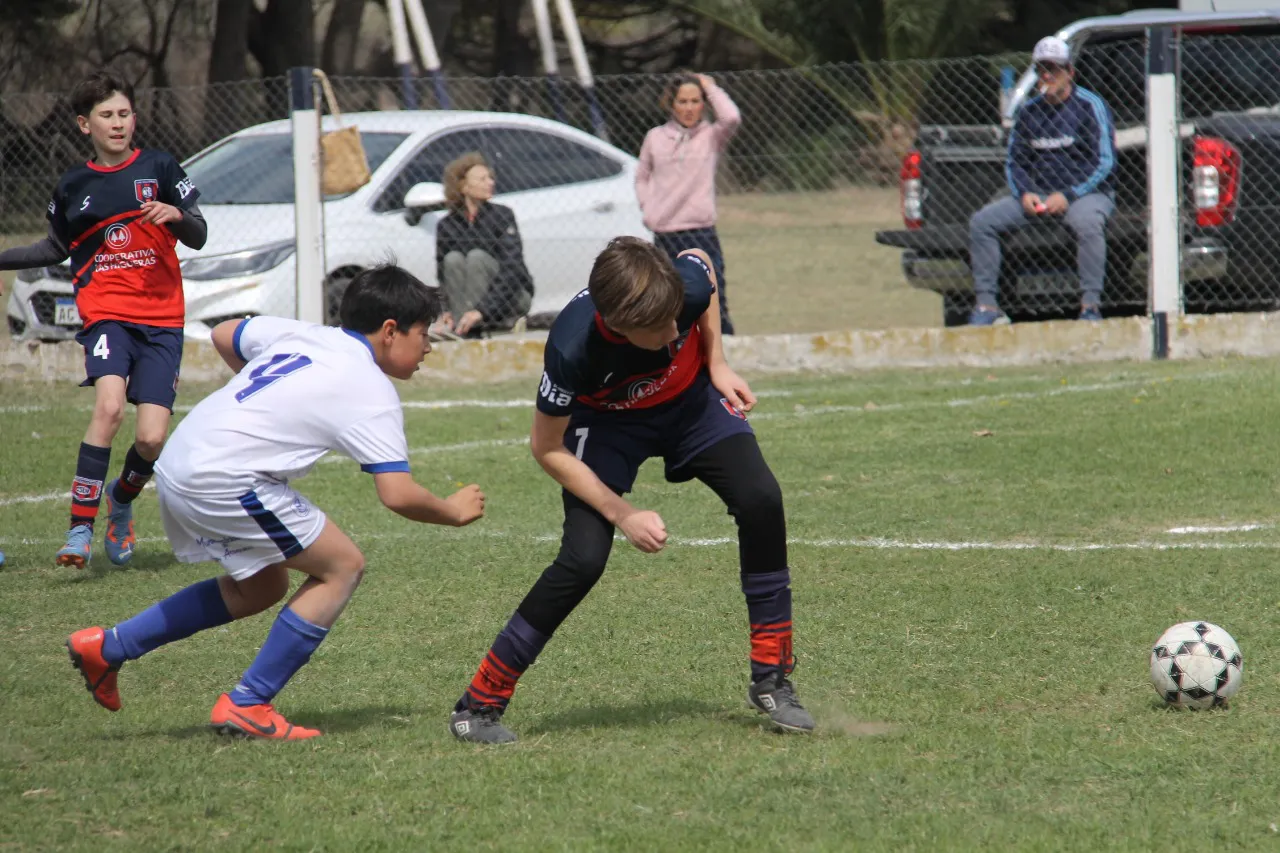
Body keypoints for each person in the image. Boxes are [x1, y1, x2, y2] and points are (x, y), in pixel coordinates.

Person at [64, 265, 487, 739]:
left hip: (183, 458)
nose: (429, 346)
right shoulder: (370, 388)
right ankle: (248, 704)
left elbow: (226, 334)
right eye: (423, 333)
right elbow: (398, 494)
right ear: (390, 331)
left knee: (261, 587)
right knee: (343, 567)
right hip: (225, 477)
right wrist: (452, 510)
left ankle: (109, 648)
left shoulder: (305, 334)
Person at [447, 236, 813, 745]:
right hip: (608, 424)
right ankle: (479, 703)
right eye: (660, 328)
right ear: (618, 326)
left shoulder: (673, 291)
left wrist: (717, 362)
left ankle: (771, 676)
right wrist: (623, 514)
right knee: (583, 559)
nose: (673, 332)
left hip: (691, 405)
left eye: (677, 321)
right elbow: (547, 448)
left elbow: (702, 270)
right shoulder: (572, 348)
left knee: (761, 500)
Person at [0, 70, 207, 568]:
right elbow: (52, 247)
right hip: (107, 316)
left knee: (151, 437)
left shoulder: (160, 167)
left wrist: (175, 215)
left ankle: (121, 501)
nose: (118, 123)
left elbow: (199, 232)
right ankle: (78, 530)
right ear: (83, 125)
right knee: (110, 409)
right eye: (106, 116)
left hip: (162, 320)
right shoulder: (74, 184)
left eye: (124, 113)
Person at [967, 36, 1117, 326]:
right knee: (982, 223)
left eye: (1054, 69)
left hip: (1086, 194)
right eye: (1041, 70)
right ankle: (987, 307)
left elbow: (1105, 163)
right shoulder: (1029, 112)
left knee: (1088, 224)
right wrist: (1024, 193)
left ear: (1069, 72)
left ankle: (1090, 306)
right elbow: (1015, 162)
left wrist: (1069, 195)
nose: (1047, 76)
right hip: (1038, 195)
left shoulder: (1090, 106)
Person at [636, 71, 741, 334]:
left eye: (695, 101)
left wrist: (710, 86)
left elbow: (731, 117)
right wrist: (648, 209)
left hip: (701, 232)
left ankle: (720, 348)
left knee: (713, 294)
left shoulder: (711, 137)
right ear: (671, 103)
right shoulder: (655, 138)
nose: (689, 108)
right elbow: (642, 177)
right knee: (669, 299)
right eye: (682, 101)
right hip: (666, 233)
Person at [433, 152, 534, 338]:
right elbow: (443, 275)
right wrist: (444, 310)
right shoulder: (446, 225)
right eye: (482, 179)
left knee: (476, 257)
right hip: (467, 305)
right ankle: (460, 325)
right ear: (463, 186)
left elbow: (512, 269)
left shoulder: (503, 216)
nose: (490, 182)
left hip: (511, 298)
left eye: (490, 178)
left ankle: (474, 328)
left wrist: (482, 311)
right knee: (452, 259)